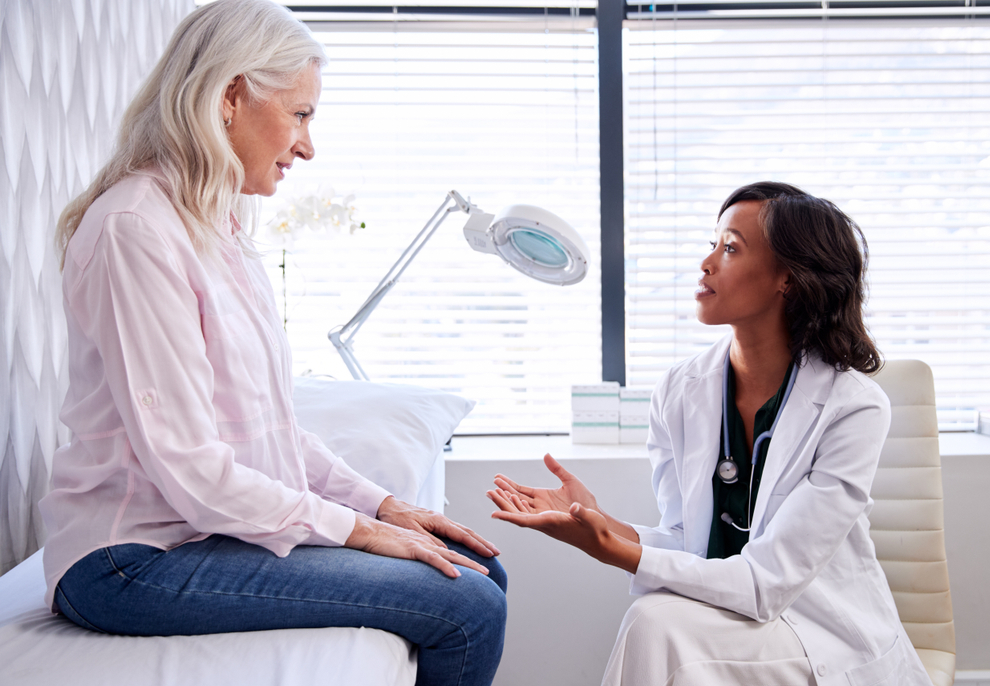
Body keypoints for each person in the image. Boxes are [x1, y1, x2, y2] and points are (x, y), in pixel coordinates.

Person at [39, 2, 506, 685]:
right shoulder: (136, 230)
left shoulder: (218, 231)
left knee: (478, 568)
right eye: (301, 114)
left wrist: (382, 506)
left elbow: (269, 429)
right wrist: (358, 532)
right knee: (466, 607)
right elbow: (194, 468)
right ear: (229, 96)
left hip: (195, 535)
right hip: (128, 560)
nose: (308, 145)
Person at [488, 182, 932, 686]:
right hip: (727, 619)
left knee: (655, 623)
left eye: (730, 248)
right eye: (712, 242)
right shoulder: (680, 390)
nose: (705, 262)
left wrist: (609, 548)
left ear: (787, 278)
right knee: (656, 622)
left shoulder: (852, 407)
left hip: (819, 634)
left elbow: (767, 583)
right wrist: (598, 522)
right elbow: (687, 541)